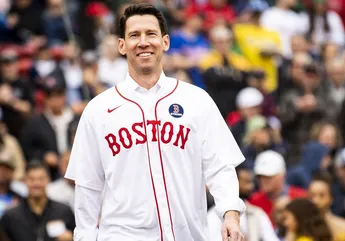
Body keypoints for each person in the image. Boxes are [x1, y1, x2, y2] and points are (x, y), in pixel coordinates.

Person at [65, 3, 245, 241]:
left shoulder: (196, 99)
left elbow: (220, 166)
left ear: (166, 42)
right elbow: (87, 186)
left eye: (151, 34)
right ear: (121, 45)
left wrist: (230, 214)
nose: (143, 42)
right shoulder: (98, 110)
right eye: (134, 35)